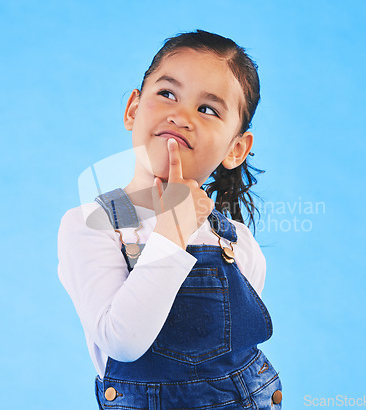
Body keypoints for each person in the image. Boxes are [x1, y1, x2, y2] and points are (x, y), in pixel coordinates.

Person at [58, 29, 283, 409]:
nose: (181, 115)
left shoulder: (237, 243)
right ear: (133, 109)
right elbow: (122, 341)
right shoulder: (93, 224)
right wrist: (170, 233)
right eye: (167, 94)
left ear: (236, 148)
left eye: (208, 109)